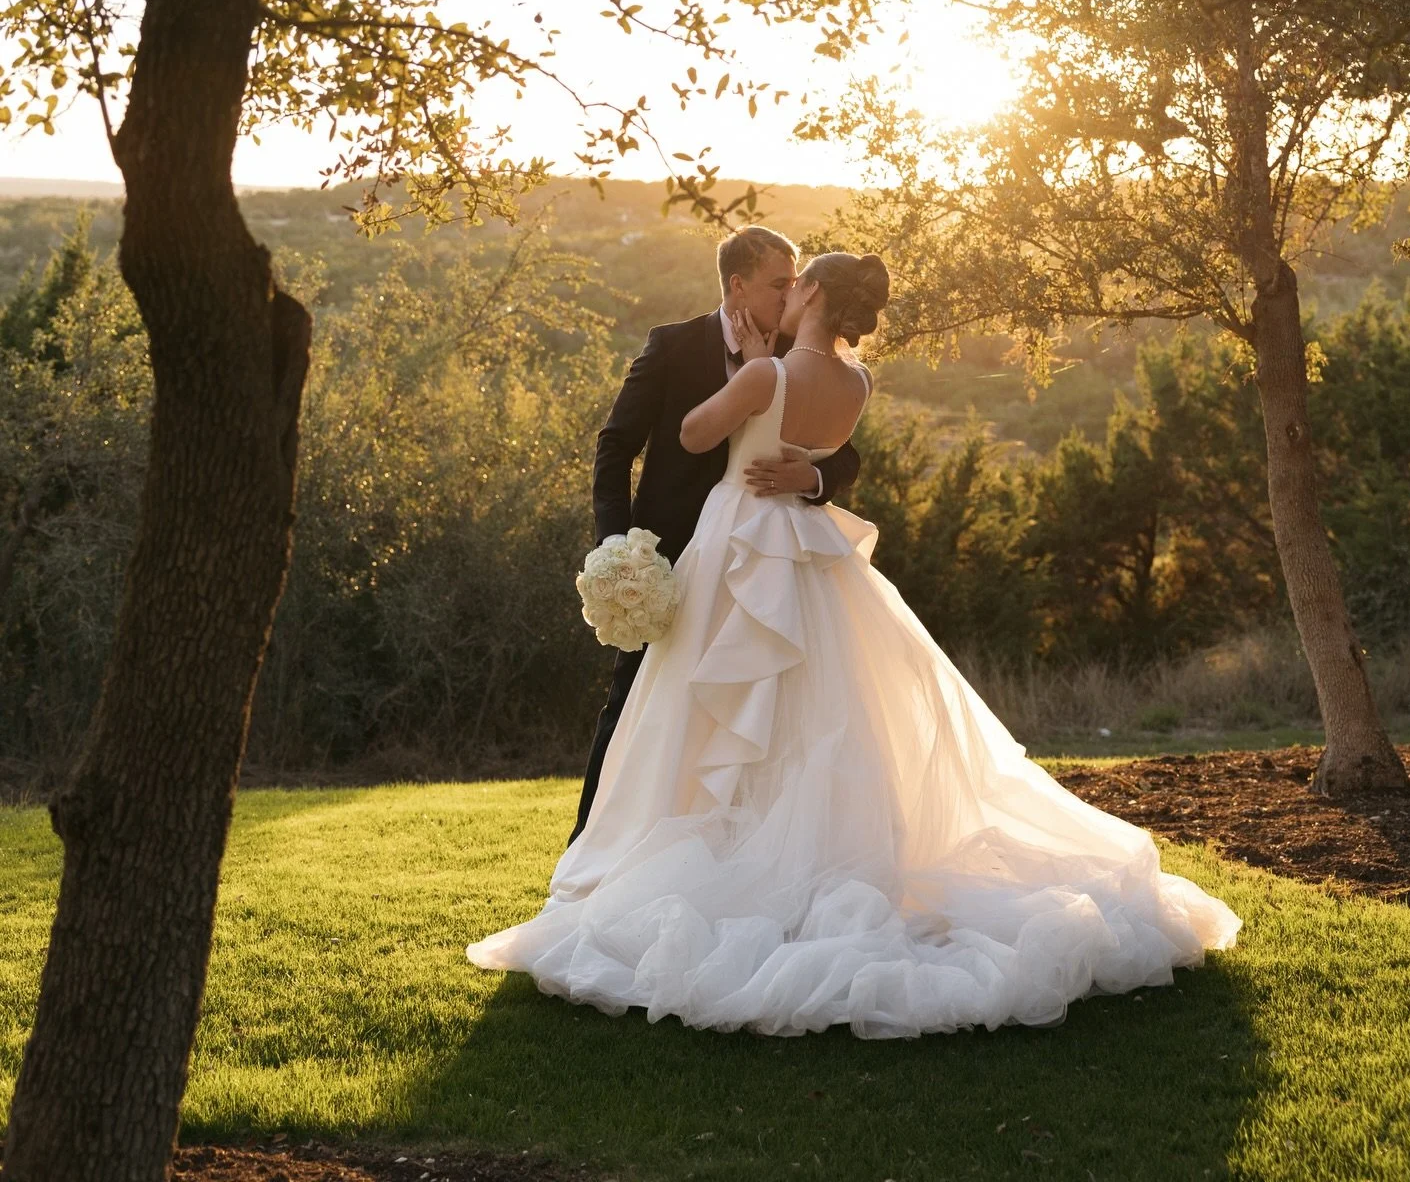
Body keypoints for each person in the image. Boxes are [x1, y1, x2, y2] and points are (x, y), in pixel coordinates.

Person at [469, 251, 1240, 1037]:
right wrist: (803, 469)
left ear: (810, 296)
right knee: (822, 708)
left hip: (740, 547)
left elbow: (698, 434)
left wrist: (756, 384)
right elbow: (829, 450)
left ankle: (722, 866)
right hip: (811, 558)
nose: (788, 289)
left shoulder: (765, 374)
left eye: (797, 282)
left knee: (717, 708)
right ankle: (802, 859)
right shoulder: (860, 382)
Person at [568, 225, 860, 843]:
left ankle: (734, 849)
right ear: (738, 284)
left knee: (760, 716)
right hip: (672, 557)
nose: (789, 298)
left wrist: (812, 475)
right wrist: (617, 545)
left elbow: (846, 455)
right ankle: (590, 848)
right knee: (637, 707)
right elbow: (616, 446)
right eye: (779, 285)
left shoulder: (795, 357)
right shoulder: (674, 347)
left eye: (794, 284)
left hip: (767, 563)